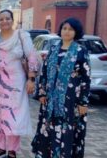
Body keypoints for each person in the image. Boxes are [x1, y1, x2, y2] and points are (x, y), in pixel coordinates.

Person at [31, 18, 90, 158]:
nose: (67, 32)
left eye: (70, 29)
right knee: (48, 129)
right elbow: (44, 72)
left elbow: (86, 78)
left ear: (76, 32)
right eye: (64, 28)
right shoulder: (53, 49)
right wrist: (42, 93)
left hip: (71, 102)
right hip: (50, 100)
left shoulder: (81, 51)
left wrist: (83, 102)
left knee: (66, 130)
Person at [0, 9, 38, 158]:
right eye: (1, 19)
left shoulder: (21, 36)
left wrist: (31, 79)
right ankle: (1, 147)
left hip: (16, 83)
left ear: (12, 20)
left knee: (14, 115)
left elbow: (31, 56)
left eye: (7, 18)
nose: (4, 21)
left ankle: (12, 149)